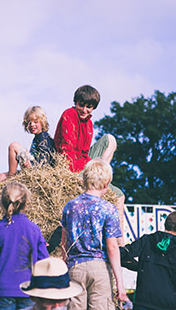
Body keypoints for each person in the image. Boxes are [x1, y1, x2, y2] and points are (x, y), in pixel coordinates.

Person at [53, 85, 126, 244]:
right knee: (115, 193)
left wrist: (91, 167)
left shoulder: (89, 124)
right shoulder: (69, 115)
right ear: (75, 102)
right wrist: (82, 172)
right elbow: (67, 152)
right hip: (71, 168)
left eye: (89, 107)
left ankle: (122, 246)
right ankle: (96, 176)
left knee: (119, 195)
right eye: (81, 104)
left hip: (85, 165)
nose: (84, 109)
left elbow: (85, 152)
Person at [60, 159, 129, 309]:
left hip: (75, 268)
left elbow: (63, 244)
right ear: (106, 184)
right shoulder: (108, 208)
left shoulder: (70, 206)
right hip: (100, 270)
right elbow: (112, 248)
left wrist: (65, 270)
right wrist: (120, 285)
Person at [0, 106, 56, 217]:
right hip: (32, 170)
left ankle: (12, 179)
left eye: (35, 122)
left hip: (38, 173)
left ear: (42, 121)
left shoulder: (44, 138)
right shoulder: (37, 138)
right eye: (29, 122)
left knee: (13, 146)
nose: (32, 125)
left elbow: (45, 162)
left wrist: (32, 166)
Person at [0, 181, 49, 310]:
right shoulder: (34, 229)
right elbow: (44, 261)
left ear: (2, 203)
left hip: (4, 289)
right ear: (26, 204)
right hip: (29, 289)